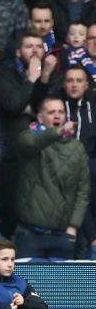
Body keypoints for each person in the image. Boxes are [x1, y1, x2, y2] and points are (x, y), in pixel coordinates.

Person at [0, 31, 59, 236]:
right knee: (12, 205)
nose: (35, 50)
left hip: (43, 153)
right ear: (18, 51)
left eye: (39, 46)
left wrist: (45, 77)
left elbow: (46, 110)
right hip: (13, 153)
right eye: (29, 46)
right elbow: (12, 105)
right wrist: (31, 80)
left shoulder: (51, 72)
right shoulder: (5, 73)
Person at [14, 96, 89, 259]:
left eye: (61, 112)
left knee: (59, 285)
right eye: (52, 112)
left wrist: (73, 226)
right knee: (26, 284)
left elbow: (83, 192)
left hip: (63, 236)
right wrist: (58, 132)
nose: (57, 116)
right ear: (40, 118)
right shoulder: (28, 136)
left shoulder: (78, 148)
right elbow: (30, 145)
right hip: (30, 233)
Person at [61, 66, 96, 259]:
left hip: (89, 165)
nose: (74, 84)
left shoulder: (94, 106)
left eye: (79, 80)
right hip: (60, 167)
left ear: (86, 84)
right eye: (70, 80)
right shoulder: (56, 106)